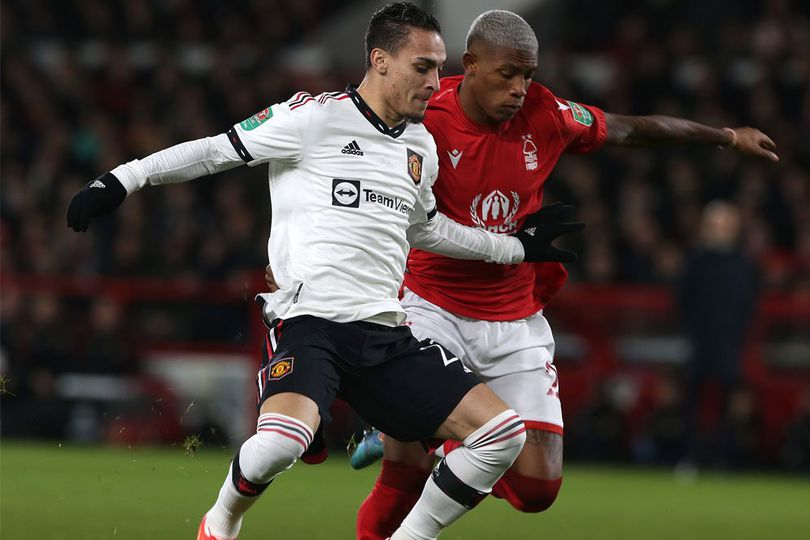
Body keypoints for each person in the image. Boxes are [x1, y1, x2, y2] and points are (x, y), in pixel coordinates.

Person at [66, 4, 585, 540]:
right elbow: (214, 151)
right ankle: (220, 521)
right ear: (380, 61)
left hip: (386, 334)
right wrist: (122, 180)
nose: (436, 82)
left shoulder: (420, 147)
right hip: (311, 323)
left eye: (439, 67)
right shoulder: (311, 118)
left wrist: (514, 249)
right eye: (423, 66)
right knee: (282, 445)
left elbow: (429, 230)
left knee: (501, 434)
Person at [339, 10, 779, 540]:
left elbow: (630, 130)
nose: (521, 88)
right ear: (471, 65)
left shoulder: (547, 113)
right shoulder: (423, 116)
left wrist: (725, 137)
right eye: (508, 74)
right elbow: (351, 183)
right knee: (402, 478)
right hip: (431, 310)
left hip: (514, 320)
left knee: (536, 491)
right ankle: (413, 433)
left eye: (528, 74)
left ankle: (424, 430)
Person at [677, 201, 760, 468]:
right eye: (713, 225)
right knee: (692, 403)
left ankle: (724, 458)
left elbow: (749, 305)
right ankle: (691, 456)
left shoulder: (743, 264)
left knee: (728, 405)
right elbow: (683, 300)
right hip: (699, 343)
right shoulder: (696, 262)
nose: (718, 231)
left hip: (729, 344)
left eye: (723, 225)